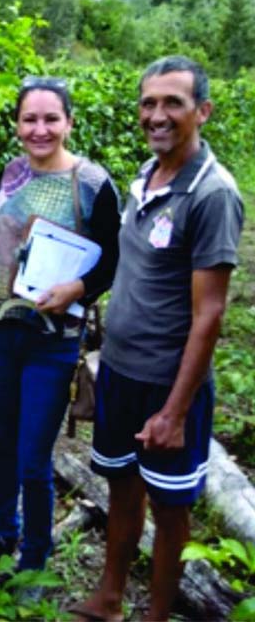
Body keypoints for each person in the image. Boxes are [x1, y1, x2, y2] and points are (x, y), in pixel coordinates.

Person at [73, 56, 244, 622]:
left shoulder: (212, 194)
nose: (158, 114)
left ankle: (157, 614)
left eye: (173, 102)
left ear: (203, 111)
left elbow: (210, 314)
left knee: (171, 508)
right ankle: (110, 597)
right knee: (122, 487)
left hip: (169, 384)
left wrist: (175, 408)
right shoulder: (145, 178)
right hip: (120, 371)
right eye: (149, 103)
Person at [0, 76, 121, 575]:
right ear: (16, 125)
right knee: (3, 438)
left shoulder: (93, 184)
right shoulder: (9, 173)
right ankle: (1, 531)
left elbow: (112, 260)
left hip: (52, 340)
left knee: (34, 455)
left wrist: (75, 289)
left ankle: (34, 557)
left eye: (50, 119)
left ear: (69, 122)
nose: (40, 129)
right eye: (29, 119)